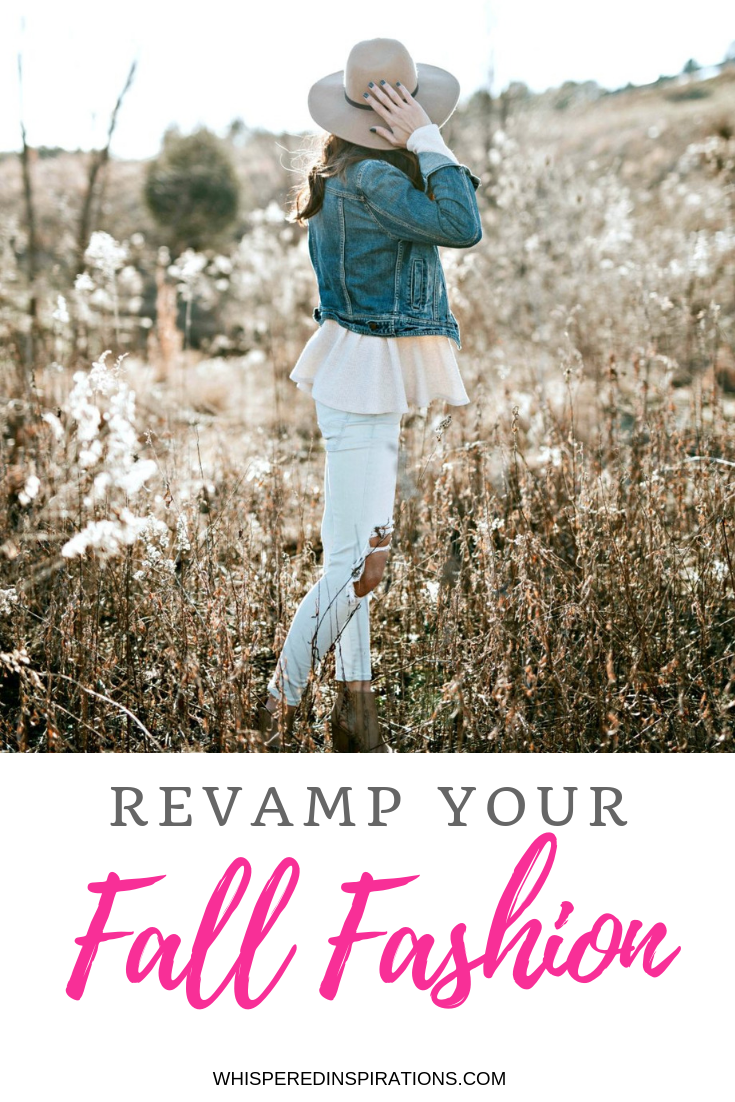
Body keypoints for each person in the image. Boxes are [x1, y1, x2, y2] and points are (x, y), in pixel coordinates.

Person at [258, 37, 482, 752]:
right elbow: (461, 224)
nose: (421, 120)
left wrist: (415, 141)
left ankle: (357, 718)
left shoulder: (349, 174)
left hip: (359, 376)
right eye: (411, 110)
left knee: (352, 557)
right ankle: (276, 704)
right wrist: (427, 140)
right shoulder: (375, 182)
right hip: (361, 379)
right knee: (362, 562)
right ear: (387, 117)